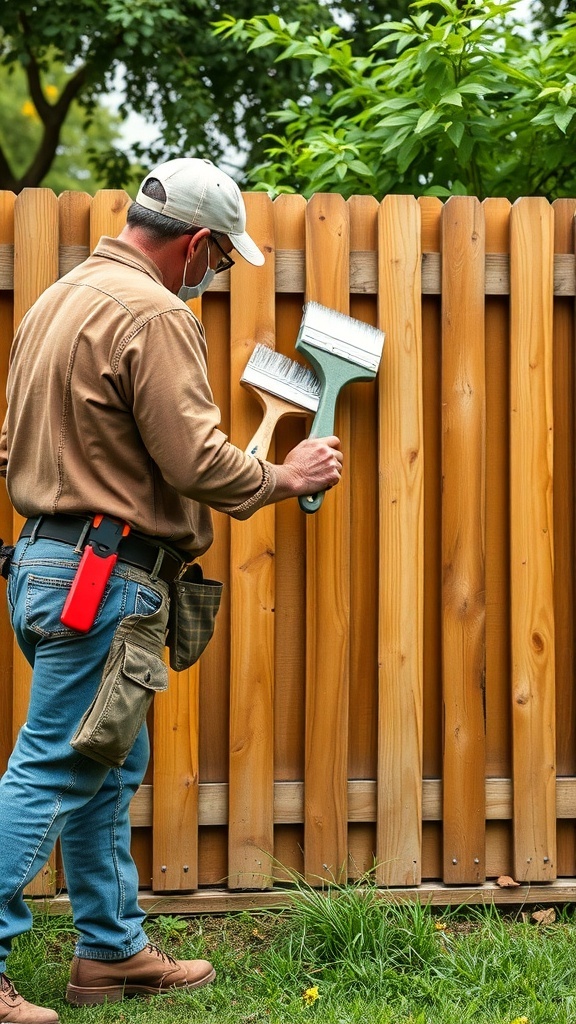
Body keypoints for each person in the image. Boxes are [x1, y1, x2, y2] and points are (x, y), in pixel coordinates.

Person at [0, 157, 343, 1023]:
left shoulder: (56, 300)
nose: (214, 278)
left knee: (110, 762)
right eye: (220, 262)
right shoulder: (153, 312)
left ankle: (110, 955)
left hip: (46, 562)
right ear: (194, 245)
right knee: (55, 765)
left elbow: (13, 446)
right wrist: (281, 471)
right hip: (104, 576)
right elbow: (196, 462)